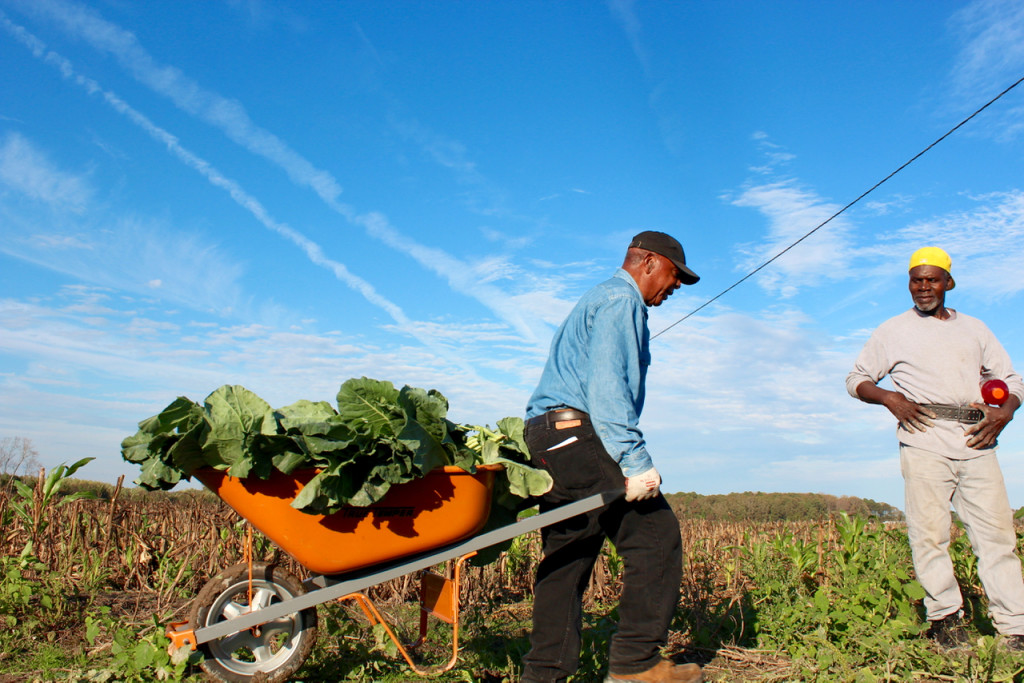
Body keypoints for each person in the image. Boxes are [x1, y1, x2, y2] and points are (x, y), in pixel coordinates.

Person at [520, 231, 703, 683]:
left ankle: (544, 673)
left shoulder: (599, 298)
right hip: (580, 433)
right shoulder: (621, 301)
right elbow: (607, 388)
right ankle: (636, 664)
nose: (674, 288)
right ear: (648, 262)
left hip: (549, 434)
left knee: (568, 555)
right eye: (674, 276)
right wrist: (635, 461)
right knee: (656, 536)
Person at [846, 246, 1024, 650]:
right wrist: (891, 399)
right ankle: (946, 619)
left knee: (996, 537)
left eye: (932, 279)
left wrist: (1005, 413)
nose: (923, 287)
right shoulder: (892, 330)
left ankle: (1014, 628)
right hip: (923, 437)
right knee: (930, 535)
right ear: (909, 283)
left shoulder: (975, 329)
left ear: (949, 282)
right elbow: (856, 379)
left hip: (977, 438)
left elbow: (1012, 379)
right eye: (916, 280)